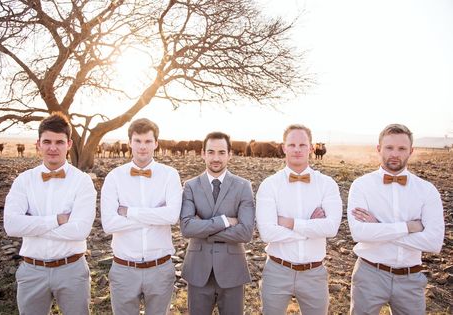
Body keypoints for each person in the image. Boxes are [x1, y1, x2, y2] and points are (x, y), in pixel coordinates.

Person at [4, 113, 97, 315]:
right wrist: (57, 220)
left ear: (69, 144)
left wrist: (30, 226)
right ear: (38, 144)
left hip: (72, 269)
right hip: (31, 270)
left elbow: (80, 231)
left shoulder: (82, 181)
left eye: (59, 142)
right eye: (47, 141)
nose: (52, 148)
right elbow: (11, 226)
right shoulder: (23, 180)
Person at [347, 123, 444, 315]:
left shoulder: (427, 190)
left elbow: (433, 243)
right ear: (379, 149)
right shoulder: (361, 186)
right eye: (389, 148)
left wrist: (379, 228)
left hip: (411, 278)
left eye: (401, 149)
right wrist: (408, 227)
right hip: (369, 274)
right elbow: (359, 233)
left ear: (411, 151)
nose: (395, 154)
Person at [256, 124, 342, 315]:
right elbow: (267, 233)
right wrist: (311, 228)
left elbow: (331, 228)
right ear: (283, 147)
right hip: (277, 271)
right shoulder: (269, 185)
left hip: (315, 273)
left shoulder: (327, 184)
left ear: (311, 148)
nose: (297, 149)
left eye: (302, 144)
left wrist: (290, 223)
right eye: (292, 144)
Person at [100, 118, 182, 315]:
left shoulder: (170, 175)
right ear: (129, 143)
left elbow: (171, 216)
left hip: (160, 268)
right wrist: (155, 216)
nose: (142, 147)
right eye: (137, 141)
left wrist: (129, 212)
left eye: (147, 141)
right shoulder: (114, 177)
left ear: (156, 143)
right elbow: (109, 224)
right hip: (123, 268)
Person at [180, 131, 255, 315]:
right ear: (203, 153)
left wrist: (203, 228)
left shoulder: (243, 186)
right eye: (211, 152)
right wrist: (224, 221)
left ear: (230, 154)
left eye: (221, 152)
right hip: (198, 270)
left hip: (233, 270)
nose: (216, 158)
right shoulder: (190, 186)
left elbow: (245, 233)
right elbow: (186, 227)